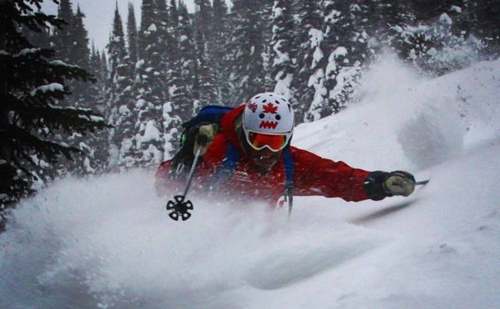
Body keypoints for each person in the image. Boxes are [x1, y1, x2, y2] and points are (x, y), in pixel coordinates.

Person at [155, 92, 416, 207]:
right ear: (244, 135)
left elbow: (332, 177)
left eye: (276, 142)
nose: (267, 152)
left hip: (261, 250)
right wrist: (185, 162)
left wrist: (377, 183)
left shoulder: (287, 163)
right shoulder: (218, 151)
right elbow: (164, 185)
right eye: (258, 141)